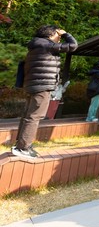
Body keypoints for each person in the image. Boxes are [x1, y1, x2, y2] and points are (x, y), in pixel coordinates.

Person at [12, 25, 78, 159]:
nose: (59, 39)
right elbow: (73, 46)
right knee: (34, 116)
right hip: (42, 86)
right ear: (51, 34)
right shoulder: (46, 44)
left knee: (28, 115)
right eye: (58, 36)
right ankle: (23, 148)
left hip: (32, 85)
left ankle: (22, 145)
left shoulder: (36, 46)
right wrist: (66, 34)